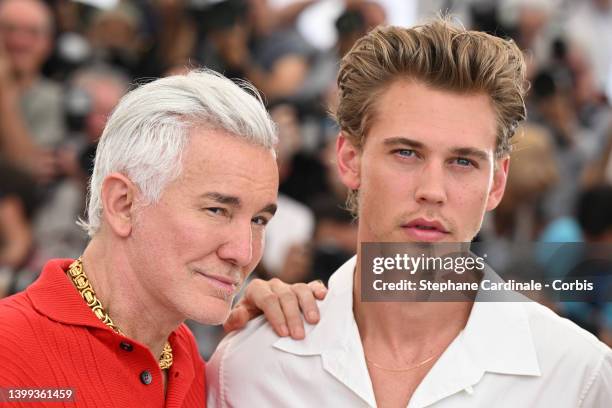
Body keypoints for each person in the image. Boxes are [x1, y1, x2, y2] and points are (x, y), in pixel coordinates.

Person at [207, 19, 612, 407]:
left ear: (497, 182)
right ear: (349, 159)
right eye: (406, 153)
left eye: (463, 162)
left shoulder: (579, 378)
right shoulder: (248, 367)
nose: (432, 191)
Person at [0, 70, 327, 407]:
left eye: (259, 219)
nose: (244, 253)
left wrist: (263, 349)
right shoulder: (8, 354)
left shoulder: (204, 366)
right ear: (123, 204)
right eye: (217, 210)